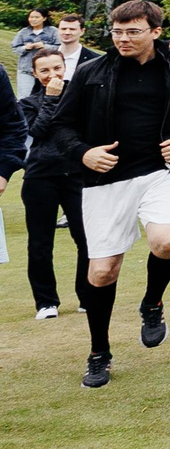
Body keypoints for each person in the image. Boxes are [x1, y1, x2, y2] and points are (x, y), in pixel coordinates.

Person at [54, 0, 170, 385]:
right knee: (102, 271)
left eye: (132, 32)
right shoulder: (92, 71)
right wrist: (84, 153)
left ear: (156, 32)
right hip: (105, 181)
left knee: (166, 243)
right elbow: (61, 125)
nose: (122, 39)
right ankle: (99, 352)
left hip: (162, 172)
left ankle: (152, 302)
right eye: (116, 31)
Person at [22, 48, 84, 320]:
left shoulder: (80, 95)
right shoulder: (27, 103)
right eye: (44, 70)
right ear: (35, 73)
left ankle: (88, 296)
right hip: (41, 176)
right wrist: (50, 98)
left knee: (87, 239)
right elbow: (37, 130)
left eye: (57, 68)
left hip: (78, 175)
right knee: (40, 243)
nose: (52, 74)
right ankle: (46, 302)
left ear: (65, 67)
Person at [14, 7, 57, 95]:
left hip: (48, 71)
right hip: (26, 70)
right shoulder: (23, 32)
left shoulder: (53, 31)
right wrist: (25, 48)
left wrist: (45, 46)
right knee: (24, 96)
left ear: (44, 18)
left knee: (47, 95)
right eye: (31, 17)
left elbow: (60, 47)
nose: (33, 19)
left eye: (37, 17)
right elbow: (15, 48)